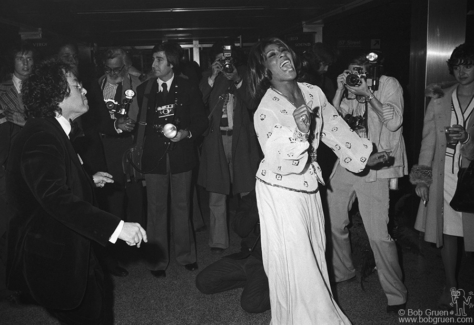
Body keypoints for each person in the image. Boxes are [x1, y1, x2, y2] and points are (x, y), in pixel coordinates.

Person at [247, 37, 389, 324]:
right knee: (299, 263)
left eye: (284, 50)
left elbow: (334, 128)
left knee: (313, 254)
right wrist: (300, 133)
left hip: (309, 186)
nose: (282, 55)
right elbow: (278, 157)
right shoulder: (266, 109)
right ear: (265, 70)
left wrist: (363, 154)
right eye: (272, 55)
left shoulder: (312, 92)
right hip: (280, 191)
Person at [5, 59, 147, 325]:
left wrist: (86, 181)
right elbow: (54, 198)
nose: (84, 90)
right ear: (57, 94)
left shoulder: (52, 130)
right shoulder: (42, 136)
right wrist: (117, 228)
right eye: (76, 85)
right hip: (56, 258)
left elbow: (47, 184)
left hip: (71, 249)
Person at [327, 51, 408, 313]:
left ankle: (396, 294)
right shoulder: (350, 90)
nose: (356, 76)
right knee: (332, 218)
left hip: (377, 164)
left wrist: (368, 94)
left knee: (378, 234)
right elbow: (330, 122)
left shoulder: (389, 84)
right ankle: (343, 270)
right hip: (348, 162)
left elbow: (394, 122)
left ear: (372, 71)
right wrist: (341, 90)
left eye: (360, 71)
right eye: (351, 71)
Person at [410, 43, 474, 309]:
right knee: (447, 232)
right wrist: (422, 179)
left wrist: (469, 138)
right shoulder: (439, 99)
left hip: (471, 177)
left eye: (468, 65)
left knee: (470, 235)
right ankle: (451, 286)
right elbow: (427, 143)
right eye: (457, 66)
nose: (461, 72)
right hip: (444, 175)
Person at [137, 42, 208, 278]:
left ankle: (186, 255)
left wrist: (185, 133)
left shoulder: (188, 87)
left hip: (181, 155)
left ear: (171, 63)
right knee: (155, 209)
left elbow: (200, 121)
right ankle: (157, 260)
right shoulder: (144, 89)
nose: (154, 64)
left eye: (159, 59)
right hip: (154, 156)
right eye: (154, 59)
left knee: (182, 206)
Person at [198, 41, 260, 254]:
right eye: (220, 59)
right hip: (216, 141)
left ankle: (251, 238)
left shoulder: (244, 75)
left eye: (228, 59)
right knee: (216, 191)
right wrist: (212, 78)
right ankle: (218, 241)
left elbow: (253, 103)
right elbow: (197, 104)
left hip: (241, 140)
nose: (225, 63)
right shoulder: (208, 77)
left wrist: (238, 79)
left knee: (247, 190)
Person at [0, 41, 36, 304]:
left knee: (31, 224)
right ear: (11, 62)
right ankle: (7, 285)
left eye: (30, 59)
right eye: (21, 59)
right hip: (6, 165)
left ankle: (28, 280)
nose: (26, 64)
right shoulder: (0, 90)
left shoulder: (40, 89)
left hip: (34, 164)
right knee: (7, 225)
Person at [195, 190, 270, 313]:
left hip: (266, 264)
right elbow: (241, 230)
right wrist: (258, 205)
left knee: (251, 304)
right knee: (203, 282)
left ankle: (286, 291)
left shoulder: (287, 201)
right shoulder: (253, 196)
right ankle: (252, 282)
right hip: (245, 256)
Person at [95, 48, 145, 226]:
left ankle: (139, 235)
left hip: (130, 144)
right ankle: (117, 236)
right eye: (109, 69)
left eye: (117, 69)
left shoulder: (137, 84)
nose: (113, 73)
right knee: (112, 193)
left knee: (135, 193)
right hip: (106, 146)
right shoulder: (98, 84)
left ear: (125, 66)